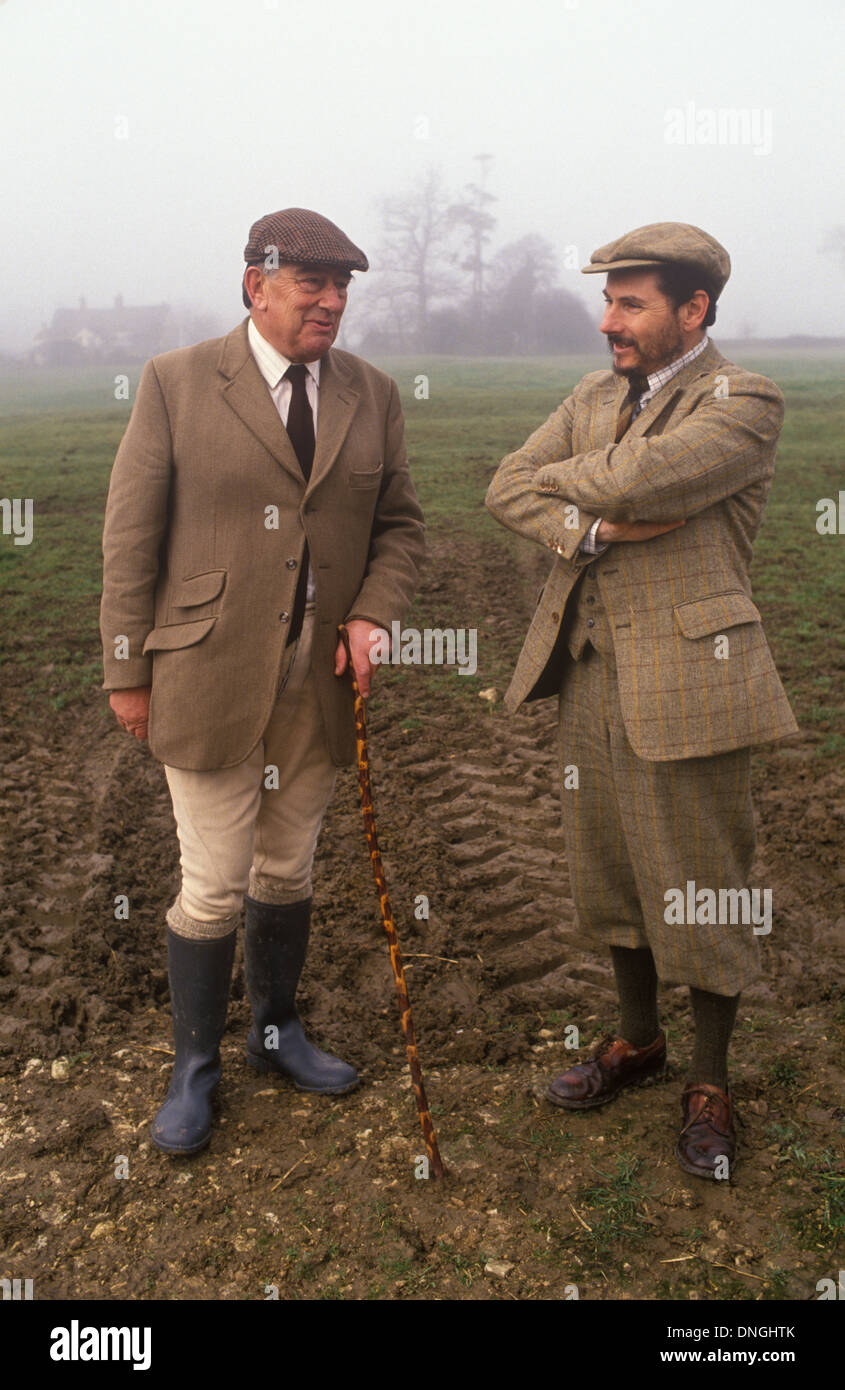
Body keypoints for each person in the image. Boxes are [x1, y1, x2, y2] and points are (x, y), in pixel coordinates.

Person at [100, 207, 425, 1155]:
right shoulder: (176, 381)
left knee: (288, 869)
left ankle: (274, 1036)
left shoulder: (371, 392)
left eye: (343, 288)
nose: (330, 303)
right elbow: (130, 534)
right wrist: (128, 669)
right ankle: (192, 1069)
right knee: (211, 884)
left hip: (321, 681)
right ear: (257, 285)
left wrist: (371, 614)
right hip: (204, 673)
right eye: (310, 285)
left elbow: (401, 526)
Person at [485, 222, 797, 1179]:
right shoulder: (592, 393)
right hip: (588, 667)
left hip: (694, 678)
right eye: (608, 301)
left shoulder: (743, 401)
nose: (608, 321)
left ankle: (709, 1079)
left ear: (692, 310)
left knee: (698, 877)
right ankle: (636, 1042)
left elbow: (640, 473)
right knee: (607, 868)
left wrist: (578, 491)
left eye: (630, 303)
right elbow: (506, 487)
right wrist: (595, 529)